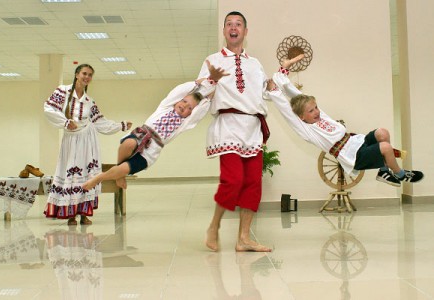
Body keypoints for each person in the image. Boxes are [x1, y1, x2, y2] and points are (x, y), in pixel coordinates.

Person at [267, 56, 424, 187]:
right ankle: (401, 175)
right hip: (352, 156)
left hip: (357, 141)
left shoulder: (321, 116)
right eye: (311, 111)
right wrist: (274, 91)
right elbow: (287, 110)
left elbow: (297, 95)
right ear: (301, 117)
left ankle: (383, 170)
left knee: (382, 132)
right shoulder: (307, 130)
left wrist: (284, 69)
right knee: (385, 147)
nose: (316, 111)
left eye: (316, 107)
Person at [82, 62, 227, 191]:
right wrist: (200, 82)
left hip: (152, 150)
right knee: (128, 143)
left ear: (191, 113)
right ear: (177, 101)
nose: (184, 106)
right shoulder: (165, 106)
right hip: (142, 134)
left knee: (124, 168)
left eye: (189, 107)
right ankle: (120, 174)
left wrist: (213, 84)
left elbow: (203, 106)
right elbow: (179, 91)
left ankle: (102, 177)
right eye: (183, 102)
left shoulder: (185, 122)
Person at [198, 11, 272, 252]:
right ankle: (214, 226)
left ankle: (244, 239)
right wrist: (210, 80)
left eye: (238, 24)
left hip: (252, 127)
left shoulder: (255, 63)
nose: (233, 27)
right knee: (233, 180)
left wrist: (273, 85)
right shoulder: (212, 60)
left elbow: (264, 92)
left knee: (253, 183)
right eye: (229, 24)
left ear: (245, 32)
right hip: (228, 125)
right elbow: (201, 91)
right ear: (224, 31)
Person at [44, 63, 132, 226]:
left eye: (90, 75)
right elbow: (48, 108)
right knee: (71, 173)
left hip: (88, 141)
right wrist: (65, 122)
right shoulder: (62, 91)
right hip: (71, 140)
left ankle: (84, 213)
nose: (87, 77)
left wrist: (121, 125)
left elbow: (100, 122)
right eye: (84, 73)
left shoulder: (89, 101)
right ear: (77, 74)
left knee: (87, 174)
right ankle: (70, 214)